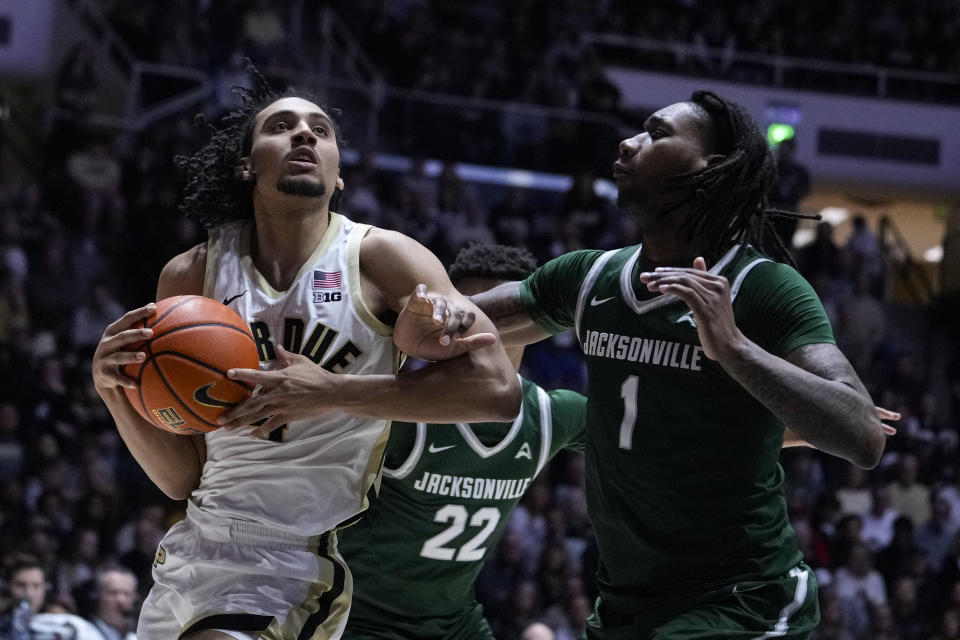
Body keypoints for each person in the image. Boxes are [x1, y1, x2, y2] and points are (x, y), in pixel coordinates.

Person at [91, 66, 519, 640]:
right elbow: (179, 477)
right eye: (283, 126)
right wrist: (115, 391)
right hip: (192, 547)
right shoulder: (192, 273)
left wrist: (333, 391)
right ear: (248, 164)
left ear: (339, 174)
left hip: (292, 561)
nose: (305, 136)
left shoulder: (383, 259)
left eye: (321, 130)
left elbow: (498, 393)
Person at [457, 91, 891, 638]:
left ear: (707, 170)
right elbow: (459, 326)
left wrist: (733, 347)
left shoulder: (765, 288)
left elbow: (864, 434)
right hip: (627, 603)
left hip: (741, 599)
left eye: (656, 134)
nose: (628, 142)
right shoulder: (589, 278)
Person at [339, 243, 587, 640]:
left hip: (456, 622)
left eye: (500, 316)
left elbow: (643, 443)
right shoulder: (399, 407)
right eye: (467, 315)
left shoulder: (548, 415)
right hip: (362, 617)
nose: (482, 330)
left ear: (532, 325)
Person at [87, 567, 138, 640]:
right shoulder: (79, 631)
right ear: (96, 596)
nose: (121, 600)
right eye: (113, 593)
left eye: (127, 594)